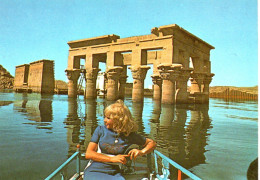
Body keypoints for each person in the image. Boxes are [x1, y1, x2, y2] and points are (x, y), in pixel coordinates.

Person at [84, 99, 157, 180]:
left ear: (118, 120)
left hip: (115, 172)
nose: (104, 120)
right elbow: (89, 154)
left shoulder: (130, 135)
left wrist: (141, 152)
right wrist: (112, 159)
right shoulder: (100, 130)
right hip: (96, 169)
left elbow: (152, 143)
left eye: (108, 118)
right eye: (105, 117)